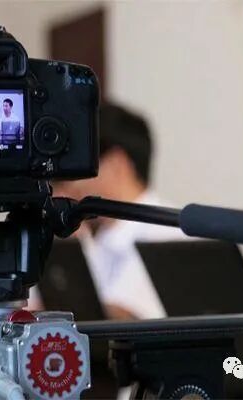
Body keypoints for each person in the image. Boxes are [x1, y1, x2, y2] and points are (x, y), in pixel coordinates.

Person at [53, 101, 184, 320]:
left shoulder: (165, 232)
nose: (70, 185)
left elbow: (120, 317)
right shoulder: (101, 236)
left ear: (116, 165)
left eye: (77, 168)